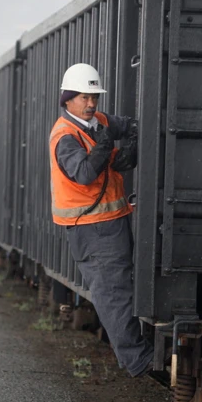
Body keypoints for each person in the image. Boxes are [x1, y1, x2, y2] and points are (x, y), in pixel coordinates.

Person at [48, 63, 154, 377]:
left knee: (121, 289)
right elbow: (82, 173)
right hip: (92, 230)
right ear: (67, 100)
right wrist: (106, 148)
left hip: (113, 222)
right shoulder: (65, 136)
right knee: (113, 293)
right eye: (84, 97)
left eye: (94, 96)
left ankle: (138, 354)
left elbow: (131, 125)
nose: (91, 103)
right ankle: (138, 360)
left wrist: (135, 137)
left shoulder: (98, 121)